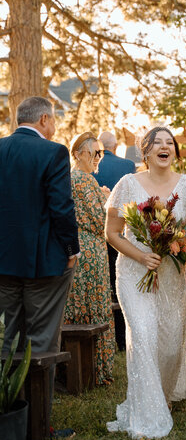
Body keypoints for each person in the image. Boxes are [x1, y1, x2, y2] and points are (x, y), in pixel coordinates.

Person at [105, 126, 186, 438]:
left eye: (169, 143)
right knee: (144, 336)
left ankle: (163, 391)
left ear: (175, 151)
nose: (164, 147)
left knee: (172, 343)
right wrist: (142, 256)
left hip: (174, 274)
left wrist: (175, 242)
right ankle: (148, 407)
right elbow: (113, 233)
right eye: (156, 143)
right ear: (145, 152)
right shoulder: (127, 184)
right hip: (135, 272)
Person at [0, 96, 79, 418]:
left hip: (3, 263)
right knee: (41, 341)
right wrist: (72, 249)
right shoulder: (53, 151)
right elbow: (61, 207)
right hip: (44, 264)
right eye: (55, 119)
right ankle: (37, 423)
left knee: (7, 338)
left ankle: (7, 413)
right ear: (45, 119)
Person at [64, 132, 115, 385]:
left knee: (82, 305)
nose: (98, 158)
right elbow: (101, 220)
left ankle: (83, 369)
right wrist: (106, 198)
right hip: (90, 250)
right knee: (93, 306)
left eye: (100, 153)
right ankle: (95, 371)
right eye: (94, 153)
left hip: (82, 248)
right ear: (78, 154)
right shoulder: (83, 180)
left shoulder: (74, 179)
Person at [94, 131, 136, 351]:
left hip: (94, 236)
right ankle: (121, 337)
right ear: (116, 145)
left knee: (103, 286)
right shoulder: (128, 165)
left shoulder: (92, 167)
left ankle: (106, 337)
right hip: (120, 234)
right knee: (119, 282)